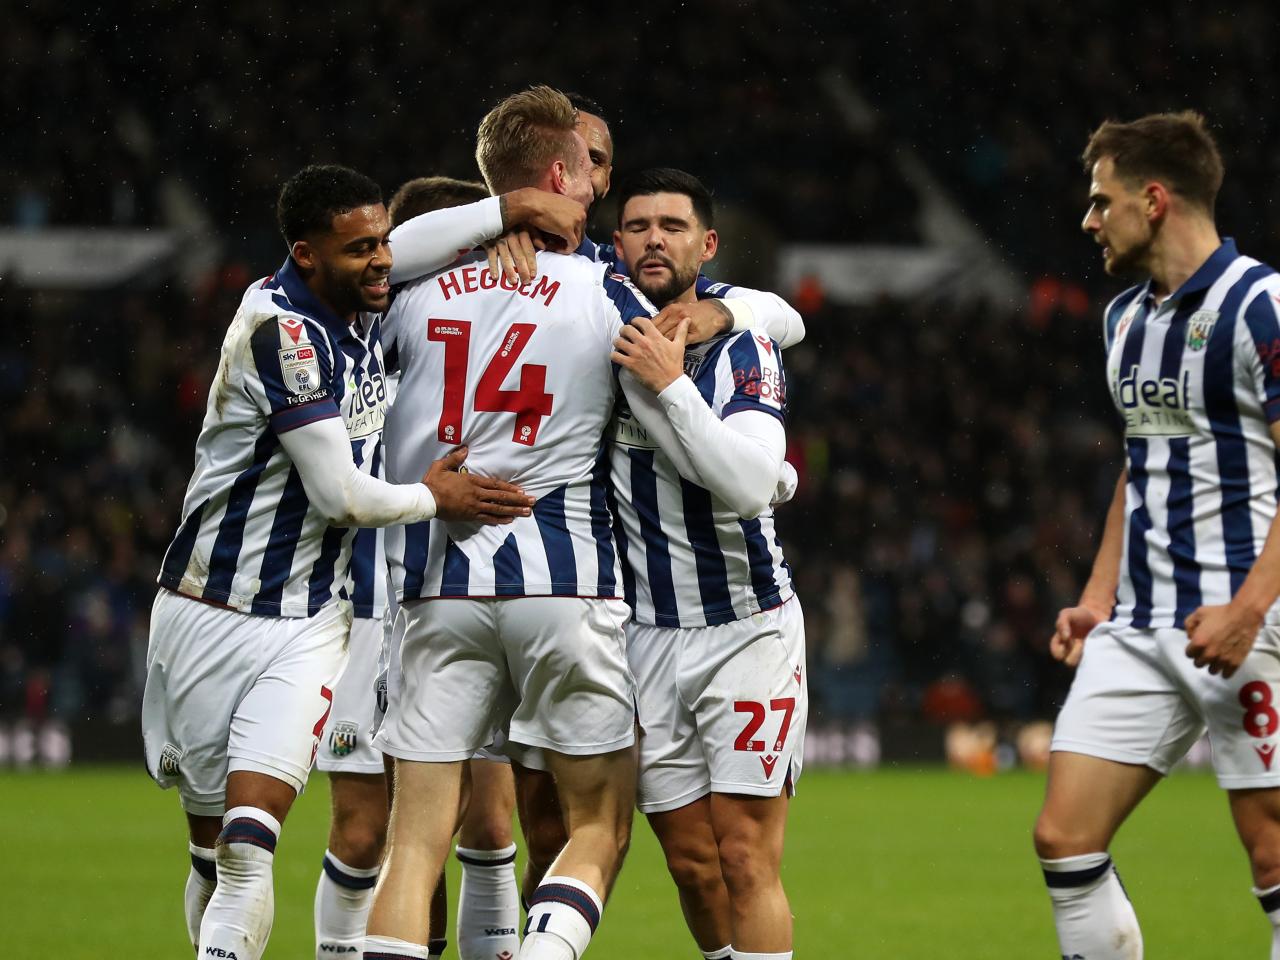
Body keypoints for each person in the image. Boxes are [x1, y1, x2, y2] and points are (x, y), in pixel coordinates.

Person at [141, 163, 535, 960]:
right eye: (361, 249)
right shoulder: (280, 329)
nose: (383, 261)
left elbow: (416, 236)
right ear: (307, 253)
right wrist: (435, 497)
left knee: (250, 849)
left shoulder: (359, 302)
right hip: (204, 607)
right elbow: (343, 499)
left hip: (312, 623)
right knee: (212, 850)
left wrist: (509, 210)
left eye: (384, 244)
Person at [365, 85, 652, 960]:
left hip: (436, 584)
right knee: (597, 823)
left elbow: (382, 252)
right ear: (559, 172)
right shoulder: (603, 286)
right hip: (563, 582)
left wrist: (499, 216)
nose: (598, 191)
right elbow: (684, 354)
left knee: (413, 844)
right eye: (587, 170)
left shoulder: (411, 289)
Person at [1034, 111, 1280, 959]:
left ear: (1156, 199)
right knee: (1065, 838)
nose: (1089, 221)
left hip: (1252, 624)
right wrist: (1098, 594)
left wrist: (1250, 609)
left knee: (1273, 852)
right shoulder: (1122, 321)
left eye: (1102, 203)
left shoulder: (1263, 306)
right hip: (1139, 626)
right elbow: (1142, 462)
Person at [314, 174, 522, 960]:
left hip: (473, 591)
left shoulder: (511, 313)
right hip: (371, 604)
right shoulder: (357, 324)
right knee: (367, 832)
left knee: (488, 821)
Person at [609, 167, 806, 960]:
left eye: (674, 225)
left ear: (708, 244)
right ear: (613, 243)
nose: (655, 238)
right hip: (647, 635)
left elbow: (753, 483)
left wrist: (669, 388)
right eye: (638, 225)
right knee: (691, 863)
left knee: (743, 855)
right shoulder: (598, 322)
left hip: (746, 627)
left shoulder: (742, 344)